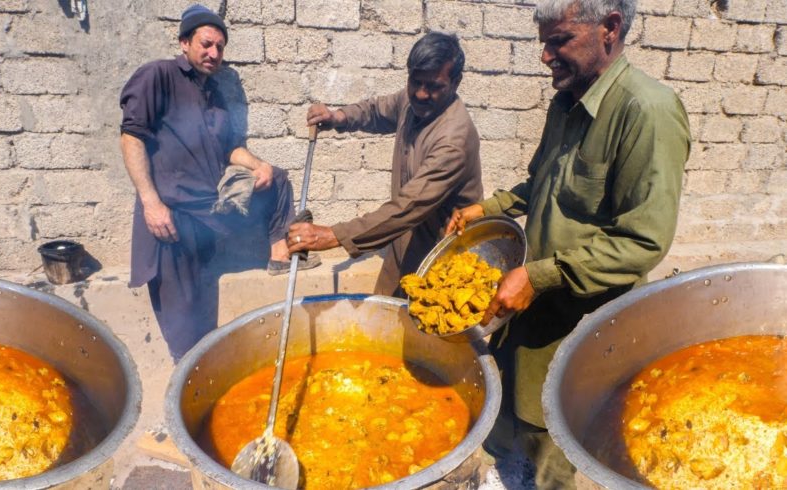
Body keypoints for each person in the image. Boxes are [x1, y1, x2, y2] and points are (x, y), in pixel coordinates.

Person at [447, 0, 690, 487]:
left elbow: (643, 241)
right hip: (530, 304)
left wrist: (539, 276)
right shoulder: (566, 102)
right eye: (544, 42)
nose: (545, 56)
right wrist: (490, 207)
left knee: (553, 432)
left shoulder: (647, 112)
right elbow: (543, 184)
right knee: (509, 408)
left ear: (610, 28)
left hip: (583, 317)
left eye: (559, 41)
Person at [119, 4, 319, 361]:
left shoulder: (215, 94)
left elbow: (231, 150)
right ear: (184, 42)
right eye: (206, 44)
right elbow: (131, 138)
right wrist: (151, 203)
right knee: (184, 322)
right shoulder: (157, 76)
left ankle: (277, 252)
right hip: (172, 213)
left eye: (220, 48)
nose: (214, 54)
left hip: (209, 210)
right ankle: (186, 385)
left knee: (277, 181)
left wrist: (259, 165)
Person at [287, 32, 483, 296]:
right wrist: (339, 117)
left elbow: (408, 206)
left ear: (455, 82)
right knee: (382, 320)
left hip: (443, 254)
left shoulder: (453, 140)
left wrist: (334, 235)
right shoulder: (411, 100)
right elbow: (377, 110)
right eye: (415, 82)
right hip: (404, 240)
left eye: (434, 86)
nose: (421, 94)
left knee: (426, 331)